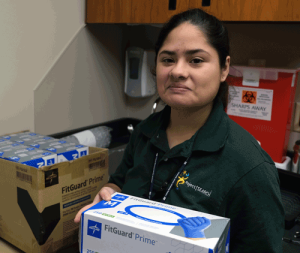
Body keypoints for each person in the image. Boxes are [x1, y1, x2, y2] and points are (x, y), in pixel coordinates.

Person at [75, 8, 285, 252]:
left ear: (224, 68)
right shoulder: (143, 133)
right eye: (167, 59)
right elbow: (119, 183)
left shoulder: (249, 166)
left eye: (196, 60)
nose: (177, 71)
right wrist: (109, 196)